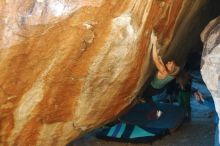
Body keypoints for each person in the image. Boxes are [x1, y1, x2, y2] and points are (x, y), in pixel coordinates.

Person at [140, 31, 180, 120]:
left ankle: (156, 112)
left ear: (170, 69)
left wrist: (154, 43)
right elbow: (161, 66)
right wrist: (160, 60)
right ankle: (155, 110)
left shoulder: (163, 71)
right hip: (159, 89)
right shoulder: (171, 75)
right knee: (147, 97)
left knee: (145, 96)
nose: (169, 62)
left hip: (153, 88)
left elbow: (154, 59)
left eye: (170, 64)